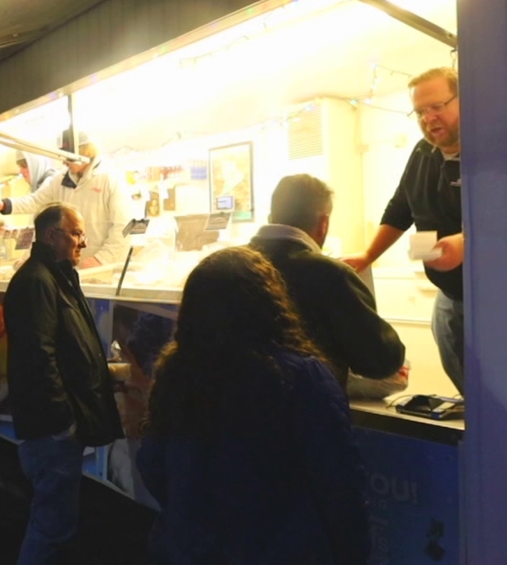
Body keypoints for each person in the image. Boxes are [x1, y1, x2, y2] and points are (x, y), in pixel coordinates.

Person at [136, 247, 370, 564]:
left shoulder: (176, 374)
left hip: (190, 550)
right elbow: (339, 484)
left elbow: (152, 463)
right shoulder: (301, 375)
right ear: (270, 302)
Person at [3, 203, 123, 564]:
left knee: (57, 519)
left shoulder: (55, 276)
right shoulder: (37, 281)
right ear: (52, 236)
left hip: (54, 427)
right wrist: (63, 421)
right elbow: (38, 358)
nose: (83, 242)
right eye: (76, 233)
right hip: (51, 429)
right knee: (52, 525)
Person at [342, 67, 464, 394]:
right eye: (421, 111)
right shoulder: (423, 153)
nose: (429, 118)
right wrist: (368, 255)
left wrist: (467, 244)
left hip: (495, 298)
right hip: (449, 295)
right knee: (466, 380)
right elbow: (400, 209)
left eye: (438, 106)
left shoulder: (493, 152)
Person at [251, 174, 405, 387]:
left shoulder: (219, 268)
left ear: (271, 217)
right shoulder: (331, 275)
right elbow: (382, 360)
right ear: (323, 224)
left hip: (226, 414)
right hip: (308, 413)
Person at [0, 132, 133, 268]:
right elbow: (37, 201)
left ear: (84, 152)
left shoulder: (110, 179)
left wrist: (103, 259)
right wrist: (4, 204)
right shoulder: (60, 181)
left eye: (67, 156)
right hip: (70, 268)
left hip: (103, 269)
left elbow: (126, 226)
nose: (63, 162)